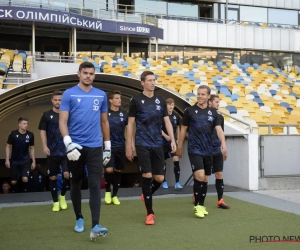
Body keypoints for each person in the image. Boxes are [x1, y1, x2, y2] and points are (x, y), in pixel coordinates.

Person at [59, 61, 109, 240]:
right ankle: (79, 217)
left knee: (95, 184)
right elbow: (63, 122)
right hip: (75, 148)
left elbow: (104, 122)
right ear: (79, 74)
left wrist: (107, 146)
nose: (88, 76)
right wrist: (68, 143)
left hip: (95, 147)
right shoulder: (69, 94)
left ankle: (95, 224)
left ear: (94, 75)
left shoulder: (101, 95)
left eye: (91, 73)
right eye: (85, 73)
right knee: (76, 183)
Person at [126, 70, 176, 225]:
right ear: (142, 82)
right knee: (147, 176)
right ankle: (150, 213)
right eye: (150, 80)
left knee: (159, 178)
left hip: (158, 144)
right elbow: (131, 124)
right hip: (142, 143)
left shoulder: (160, 100)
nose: (153, 83)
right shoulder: (136, 100)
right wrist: (130, 144)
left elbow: (167, 121)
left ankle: (146, 194)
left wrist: (172, 140)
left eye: (154, 80)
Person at [177, 85, 227, 219]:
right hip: (195, 149)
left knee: (205, 178)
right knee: (199, 175)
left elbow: (219, 130)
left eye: (202, 94)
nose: (199, 96)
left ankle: (201, 204)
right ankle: (198, 206)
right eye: (198, 94)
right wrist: (179, 147)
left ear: (208, 96)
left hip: (208, 150)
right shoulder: (190, 111)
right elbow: (183, 130)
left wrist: (223, 144)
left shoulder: (213, 113)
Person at [39, 90, 70, 212]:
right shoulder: (46, 115)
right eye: (56, 100)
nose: (58, 102)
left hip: (66, 151)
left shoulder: (67, 114)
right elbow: (42, 131)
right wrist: (44, 146)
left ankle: (62, 196)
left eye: (60, 100)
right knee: (53, 177)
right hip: (52, 151)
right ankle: (55, 202)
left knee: (67, 175)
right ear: (52, 100)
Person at [104, 90, 128, 205]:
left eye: (120, 98)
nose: (119, 100)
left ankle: (115, 195)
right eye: (116, 98)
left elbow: (128, 129)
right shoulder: (105, 113)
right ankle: (108, 191)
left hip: (121, 146)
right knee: (109, 169)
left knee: (118, 170)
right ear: (110, 100)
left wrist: (129, 144)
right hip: (108, 146)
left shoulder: (124, 113)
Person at [208, 94, 230, 209]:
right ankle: (197, 195)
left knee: (219, 173)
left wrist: (224, 147)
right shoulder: (203, 115)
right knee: (203, 176)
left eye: (218, 102)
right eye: (216, 102)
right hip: (205, 149)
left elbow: (221, 133)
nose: (218, 104)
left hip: (217, 149)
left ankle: (220, 200)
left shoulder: (220, 117)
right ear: (210, 102)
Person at [5, 117, 36, 193]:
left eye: (27, 124)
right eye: (24, 123)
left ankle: (25, 194)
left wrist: (33, 161)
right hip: (14, 161)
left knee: (25, 179)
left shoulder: (30, 134)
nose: (26, 125)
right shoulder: (13, 134)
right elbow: (8, 146)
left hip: (25, 160)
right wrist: (7, 159)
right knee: (13, 182)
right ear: (19, 124)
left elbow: (32, 148)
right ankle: (14, 195)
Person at [161, 98, 183, 189]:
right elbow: (158, 127)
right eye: (169, 104)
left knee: (176, 159)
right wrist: (165, 135)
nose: (171, 106)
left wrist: (177, 138)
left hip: (172, 142)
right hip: (162, 141)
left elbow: (178, 127)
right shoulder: (162, 115)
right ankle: (164, 181)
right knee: (163, 162)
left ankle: (177, 182)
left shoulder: (176, 116)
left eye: (172, 105)